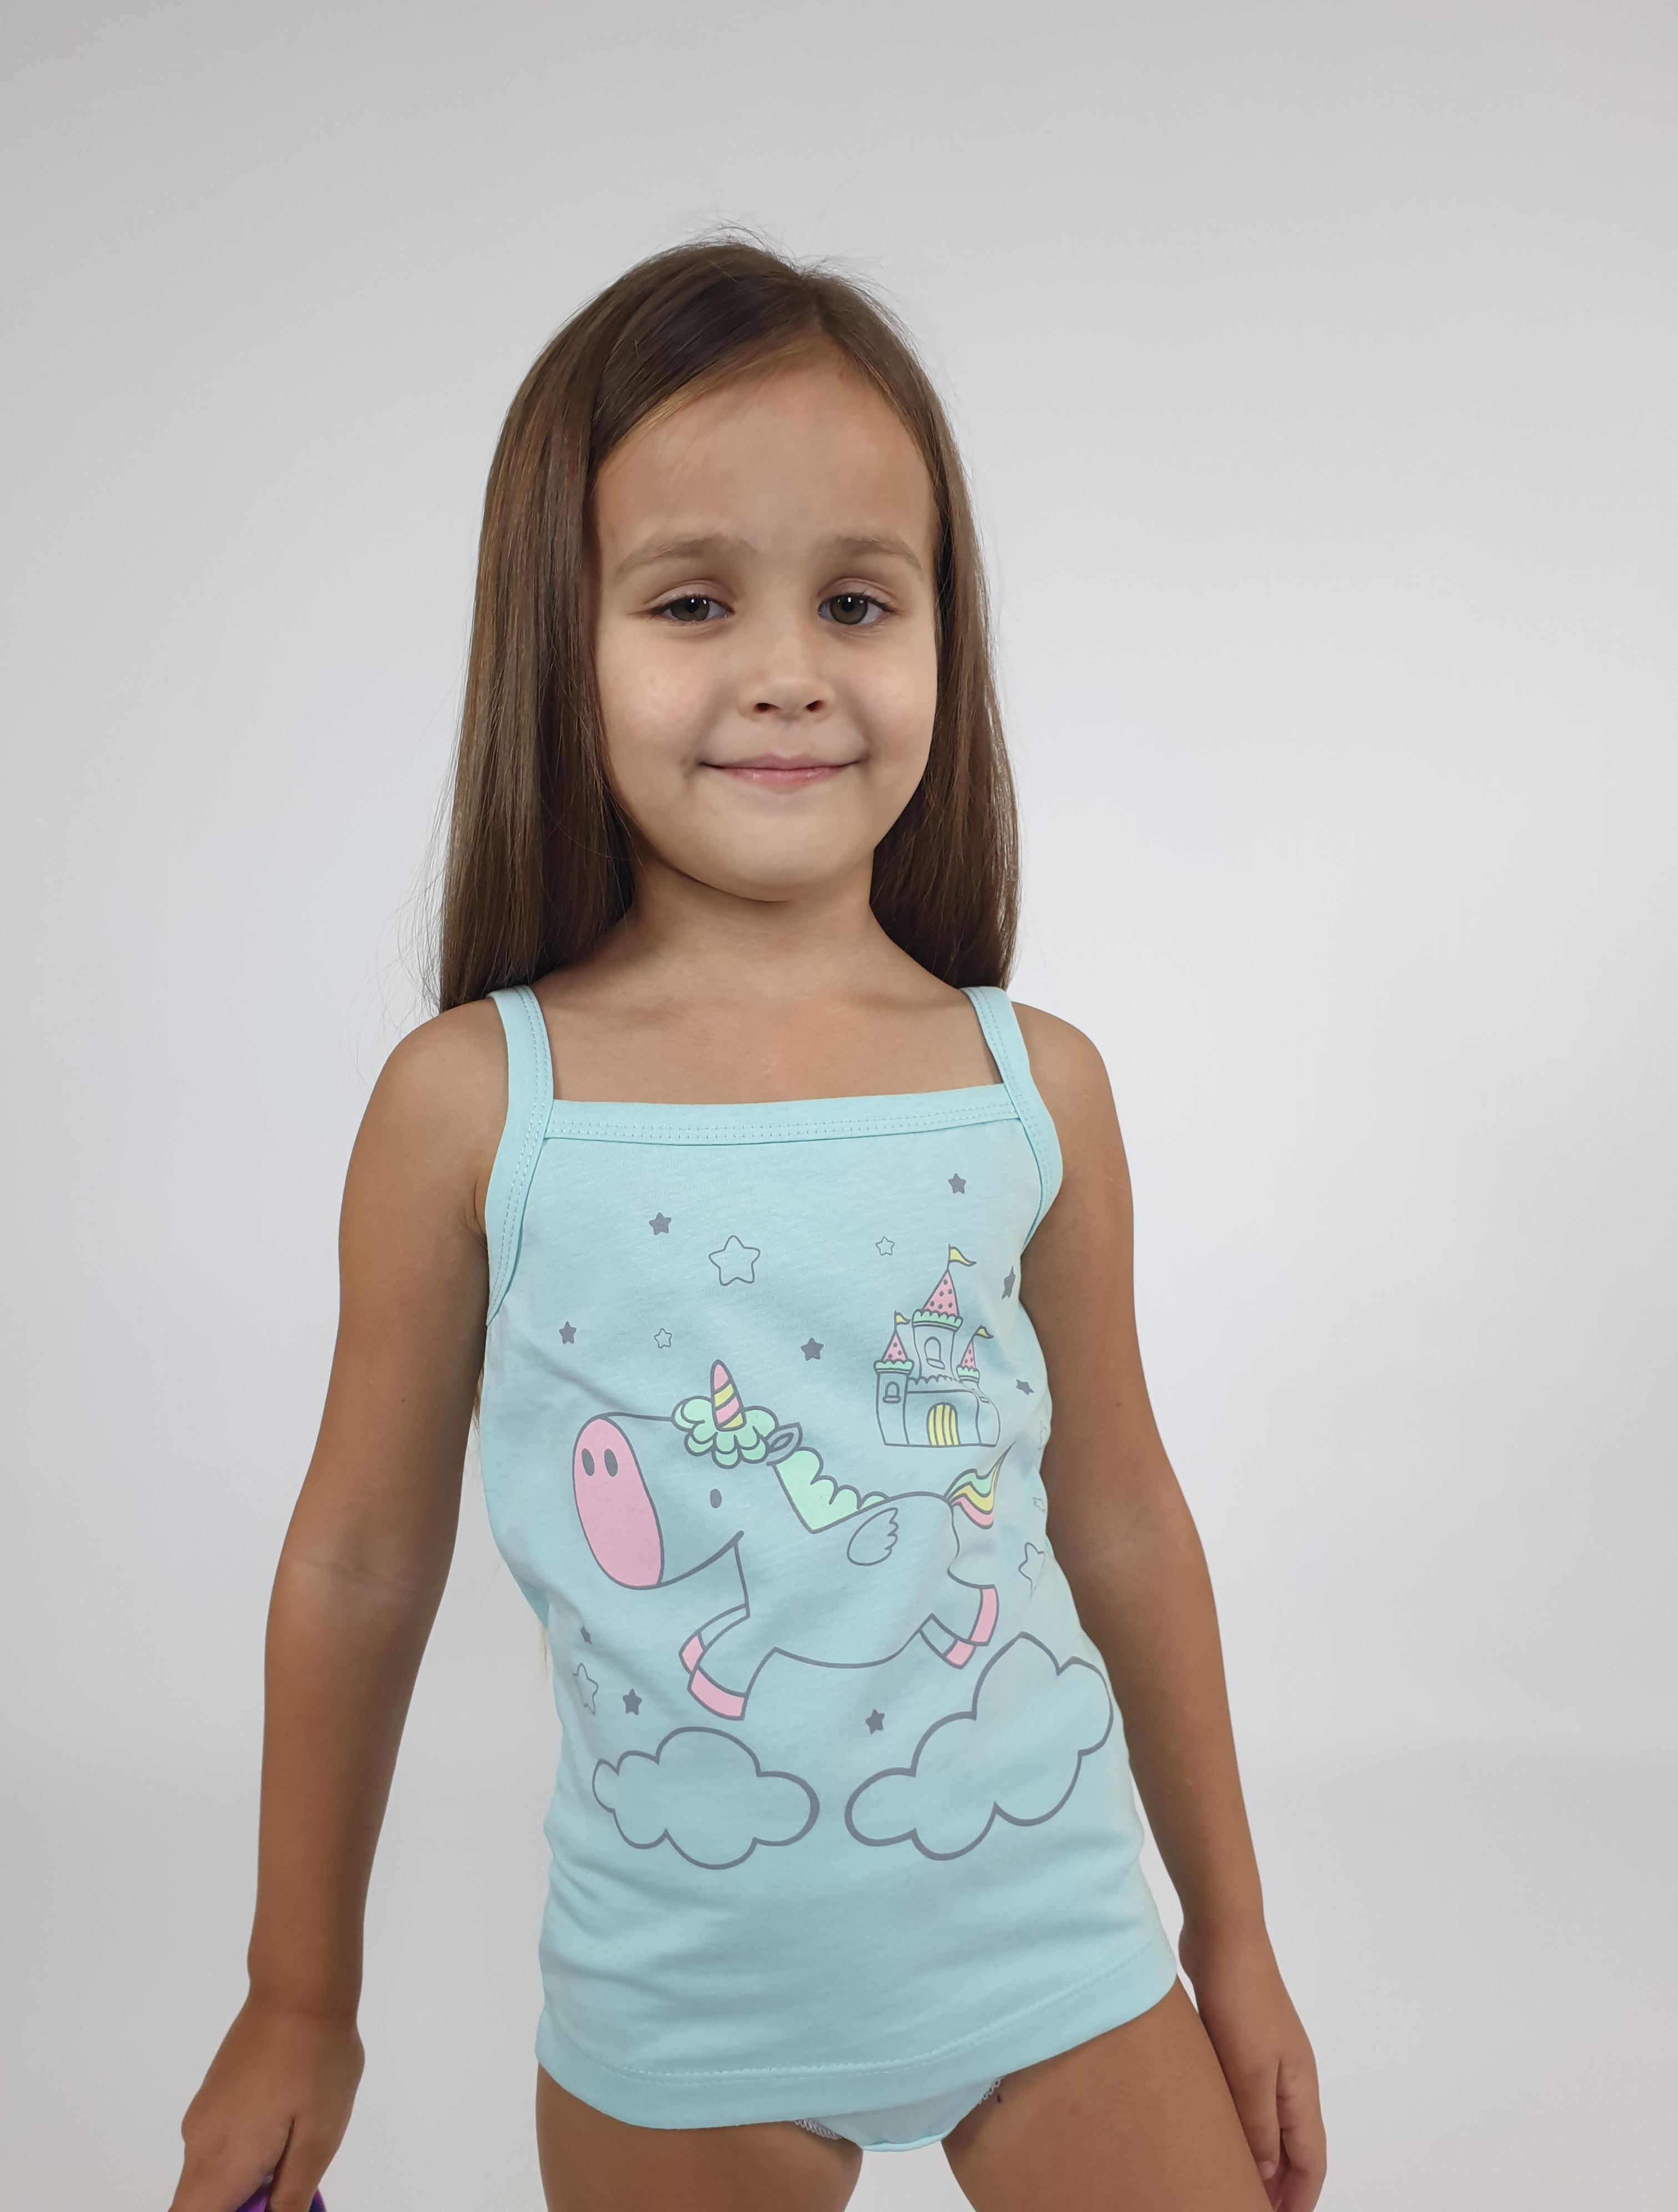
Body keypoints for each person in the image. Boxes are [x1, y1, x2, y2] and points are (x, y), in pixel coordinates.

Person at [169, 237, 1326, 2212]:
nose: (789, 669)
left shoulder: (1034, 1086)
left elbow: (1124, 1517)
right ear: (562, 642)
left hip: (1060, 1964)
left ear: (944, 635)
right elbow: (360, 1563)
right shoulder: (473, 1104)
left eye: (857, 601)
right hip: (678, 2007)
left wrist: (1236, 1938)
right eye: (696, 600)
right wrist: (299, 1997)